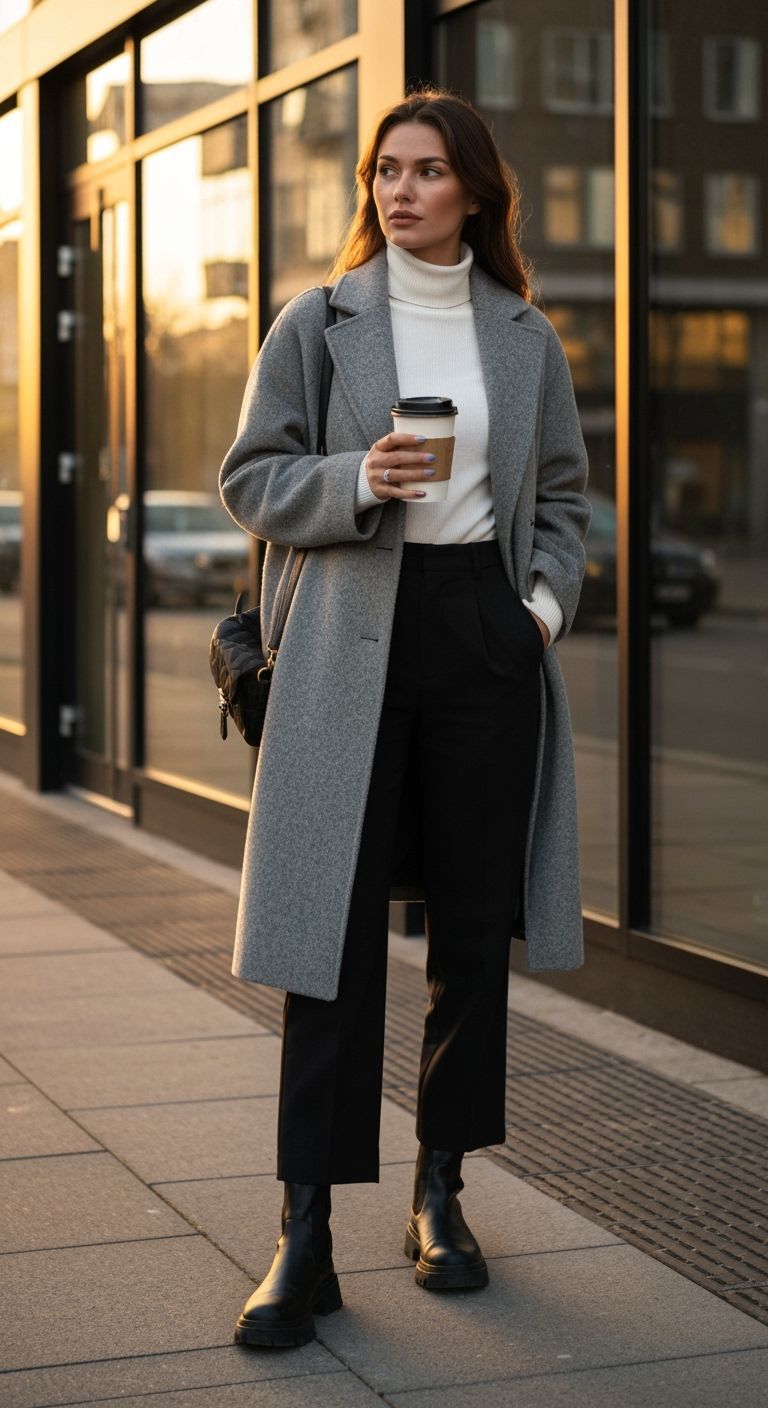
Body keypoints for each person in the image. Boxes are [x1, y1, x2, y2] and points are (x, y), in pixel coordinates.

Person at [219, 87, 591, 1349]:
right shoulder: (319, 322)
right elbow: (249, 476)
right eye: (385, 169)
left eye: (427, 171)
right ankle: (304, 1228)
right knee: (326, 934)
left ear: (475, 193)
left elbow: (563, 500)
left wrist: (536, 612)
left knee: (471, 935)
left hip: (481, 643)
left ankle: (443, 1191)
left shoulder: (524, 337)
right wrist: (356, 478)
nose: (397, 189)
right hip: (347, 646)